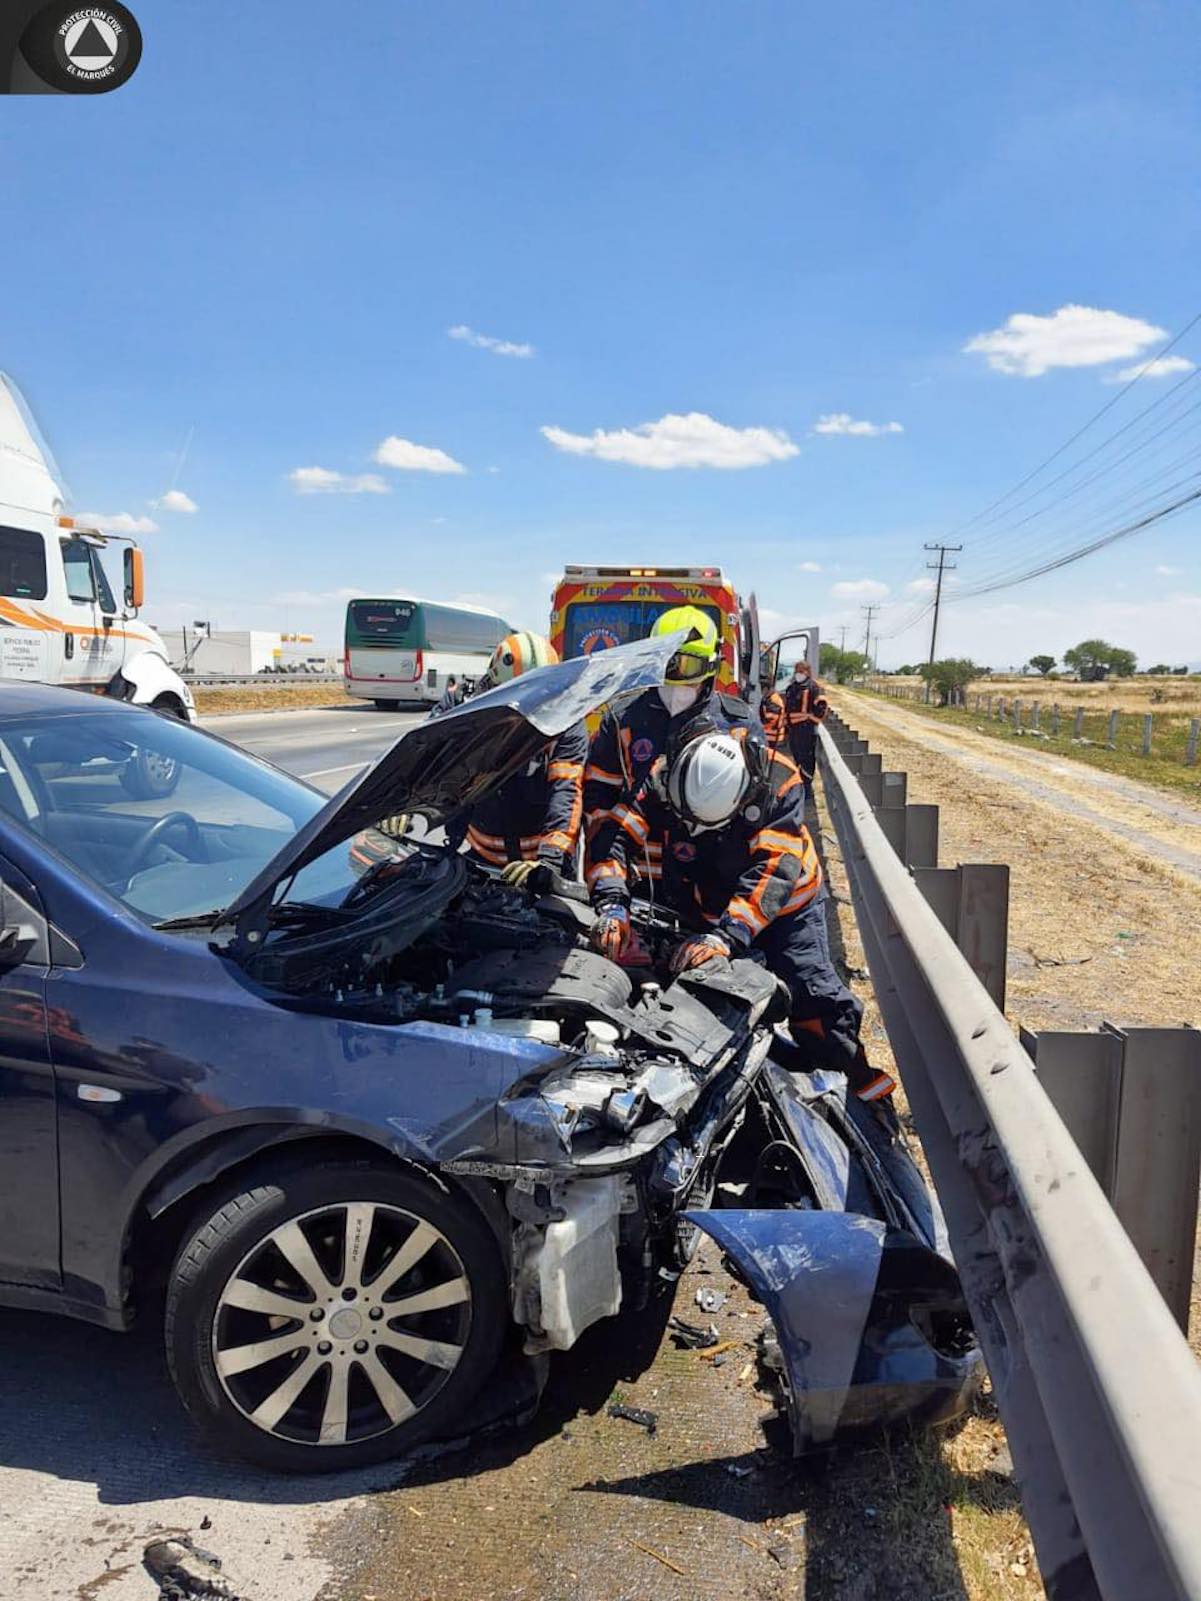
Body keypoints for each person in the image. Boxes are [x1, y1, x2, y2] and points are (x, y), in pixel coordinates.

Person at [587, 714, 896, 1108]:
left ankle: (864, 1096)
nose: (689, 828)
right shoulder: (666, 776)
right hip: (703, 896)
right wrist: (612, 903)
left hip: (785, 908)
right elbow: (614, 837)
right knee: (697, 992)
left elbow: (773, 873)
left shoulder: (779, 784)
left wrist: (726, 936)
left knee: (814, 1000)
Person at [584, 605, 747, 904]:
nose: (675, 682)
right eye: (666, 665)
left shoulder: (737, 727)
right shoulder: (623, 718)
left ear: (712, 665)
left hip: (705, 884)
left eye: (688, 668)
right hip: (635, 877)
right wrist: (609, 879)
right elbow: (597, 801)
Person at [442, 630, 586, 883]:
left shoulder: (566, 720)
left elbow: (567, 791)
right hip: (479, 859)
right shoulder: (465, 710)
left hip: (541, 864)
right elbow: (420, 760)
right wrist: (398, 809)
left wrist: (549, 861)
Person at [762, 657, 828, 801]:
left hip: (806, 731)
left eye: (801, 671)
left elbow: (821, 708)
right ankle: (799, 789)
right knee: (796, 760)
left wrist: (811, 720)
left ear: (807, 672)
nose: (798, 674)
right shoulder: (792, 688)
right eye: (797, 671)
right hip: (793, 731)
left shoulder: (813, 687)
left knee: (806, 761)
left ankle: (807, 790)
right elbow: (787, 710)